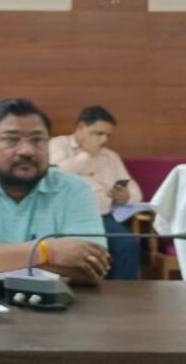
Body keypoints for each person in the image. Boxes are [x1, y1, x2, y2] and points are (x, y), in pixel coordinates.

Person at [0, 99, 110, 283]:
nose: (27, 151)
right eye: (11, 140)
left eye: (37, 140)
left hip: (56, 300)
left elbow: (91, 268)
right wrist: (48, 251)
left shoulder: (74, 190)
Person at [49, 106, 143, 279]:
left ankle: (123, 293)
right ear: (81, 127)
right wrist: (86, 155)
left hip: (103, 217)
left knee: (128, 245)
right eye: (98, 133)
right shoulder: (58, 145)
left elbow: (135, 191)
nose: (104, 139)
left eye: (107, 135)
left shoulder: (110, 156)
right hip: (67, 216)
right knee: (79, 249)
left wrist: (126, 196)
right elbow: (54, 177)